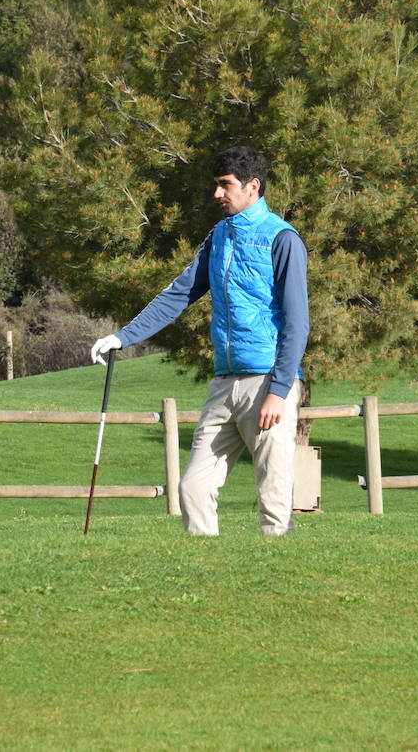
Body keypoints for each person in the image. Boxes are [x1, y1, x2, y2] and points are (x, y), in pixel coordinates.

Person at [90, 146, 308, 536]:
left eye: (225, 185)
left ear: (253, 186)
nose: (217, 195)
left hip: (268, 383)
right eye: (216, 185)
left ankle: (281, 576)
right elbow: (179, 293)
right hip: (225, 383)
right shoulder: (219, 236)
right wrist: (122, 337)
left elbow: (297, 323)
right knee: (192, 487)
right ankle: (206, 572)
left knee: (274, 499)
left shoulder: (282, 239)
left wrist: (279, 389)